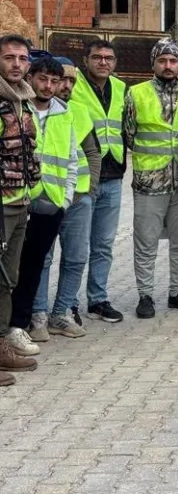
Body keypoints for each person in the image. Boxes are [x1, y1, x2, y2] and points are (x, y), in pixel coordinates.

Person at [124, 39, 178, 319]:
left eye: (173, 61)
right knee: (146, 242)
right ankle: (145, 295)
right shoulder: (136, 94)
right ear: (153, 63)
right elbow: (129, 134)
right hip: (149, 181)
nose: (168, 66)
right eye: (163, 61)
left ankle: (176, 292)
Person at [8, 56, 78, 353]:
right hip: (19, 198)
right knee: (11, 267)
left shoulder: (65, 113)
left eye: (54, 80)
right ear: (31, 77)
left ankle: (19, 325)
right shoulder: (17, 108)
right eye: (42, 79)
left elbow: (72, 159)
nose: (48, 86)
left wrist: (66, 198)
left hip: (51, 203)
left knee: (34, 266)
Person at [30, 57, 101, 341]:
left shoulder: (76, 113)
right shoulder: (26, 109)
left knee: (75, 258)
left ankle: (61, 313)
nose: (63, 86)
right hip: (40, 197)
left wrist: (88, 191)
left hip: (76, 197)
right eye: (61, 80)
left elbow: (91, 154)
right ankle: (38, 315)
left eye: (69, 81)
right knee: (41, 258)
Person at [68, 39, 126, 324]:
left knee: (103, 245)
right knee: (76, 247)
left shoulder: (121, 88)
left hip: (114, 176)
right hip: (82, 179)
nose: (103, 62)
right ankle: (69, 303)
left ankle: (98, 299)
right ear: (86, 60)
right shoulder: (73, 87)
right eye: (97, 57)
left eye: (109, 58)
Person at [0, 35, 43, 383]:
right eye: (9, 57)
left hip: (19, 201)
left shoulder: (23, 102)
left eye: (22, 58)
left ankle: (1, 346)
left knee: (8, 278)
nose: (16, 64)